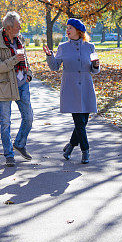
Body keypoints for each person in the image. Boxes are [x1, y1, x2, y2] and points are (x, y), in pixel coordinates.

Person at [43, 18, 100, 164]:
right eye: (67, 28)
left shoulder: (90, 47)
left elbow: (95, 71)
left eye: (70, 28)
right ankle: (85, 151)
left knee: (83, 122)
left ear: (78, 31)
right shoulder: (63, 47)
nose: (67, 30)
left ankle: (70, 147)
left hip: (86, 87)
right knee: (79, 122)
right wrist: (50, 56)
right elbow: (55, 67)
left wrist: (96, 65)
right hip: (71, 89)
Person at [0, 11, 34, 167]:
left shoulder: (20, 39)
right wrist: (14, 60)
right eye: (17, 25)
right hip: (5, 86)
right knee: (6, 123)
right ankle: (9, 155)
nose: (20, 27)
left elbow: (25, 59)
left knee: (28, 119)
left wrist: (28, 74)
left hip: (22, 85)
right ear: (8, 28)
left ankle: (20, 144)